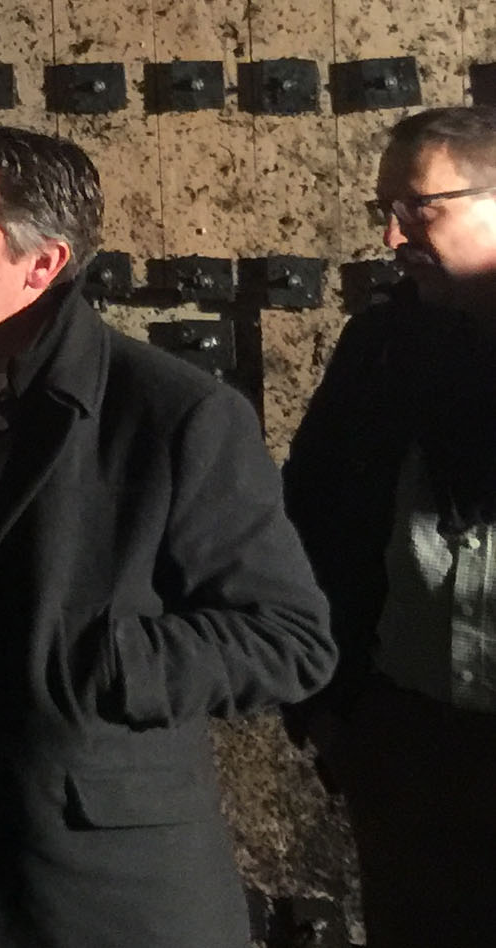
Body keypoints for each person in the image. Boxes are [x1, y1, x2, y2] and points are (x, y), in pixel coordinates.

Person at [0, 124, 334, 947]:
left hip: (87, 883)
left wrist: (95, 662)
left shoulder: (172, 416)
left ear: (41, 263)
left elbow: (287, 640)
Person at [283, 105, 496, 947]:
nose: (391, 235)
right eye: (387, 209)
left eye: (418, 208)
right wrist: (333, 713)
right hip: (410, 743)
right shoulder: (379, 348)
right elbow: (313, 514)